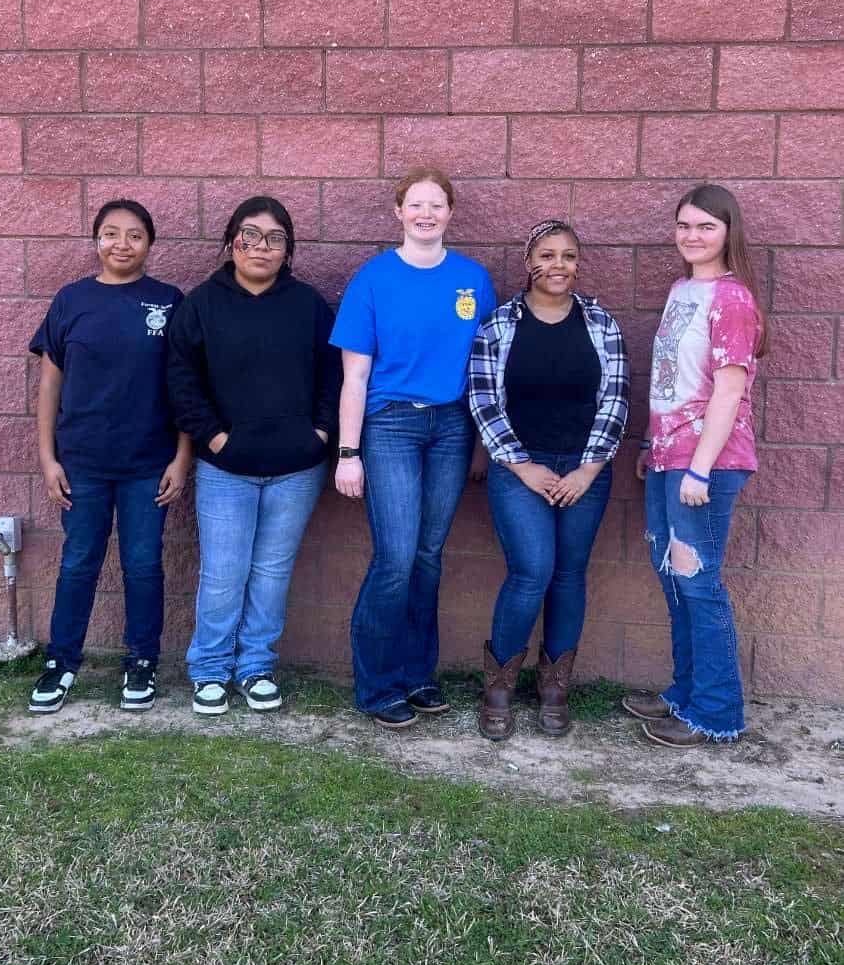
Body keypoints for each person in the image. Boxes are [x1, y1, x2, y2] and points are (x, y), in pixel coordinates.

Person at [331, 168, 497, 729]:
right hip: (391, 428)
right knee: (396, 558)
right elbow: (354, 376)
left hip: (452, 428)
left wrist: (480, 444)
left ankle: (417, 674)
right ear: (398, 212)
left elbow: (484, 374)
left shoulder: (473, 280)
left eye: (437, 204)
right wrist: (348, 453)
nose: (426, 214)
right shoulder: (373, 280)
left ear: (451, 213)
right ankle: (377, 686)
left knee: (429, 557)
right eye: (416, 204)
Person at [167, 196, 340, 717]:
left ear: (289, 250)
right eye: (251, 235)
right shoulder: (200, 304)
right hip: (225, 468)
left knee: (271, 571)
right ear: (230, 243)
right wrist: (215, 438)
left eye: (275, 238)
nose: (262, 247)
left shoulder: (308, 305)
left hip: (296, 468)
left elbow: (333, 377)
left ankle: (256, 666)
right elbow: (180, 381)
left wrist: (320, 435)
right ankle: (211, 669)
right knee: (223, 571)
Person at [27, 200, 190, 714]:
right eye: (111, 233)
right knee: (78, 563)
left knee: (143, 565)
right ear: (96, 240)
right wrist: (48, 459)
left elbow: (185, 388)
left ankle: (141, 662)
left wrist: (182, 458)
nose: (123, 243)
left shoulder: (169, 302)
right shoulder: (71, 300)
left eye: (135, 234)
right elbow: (50, 384)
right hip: (82, 464)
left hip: (149, 464)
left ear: (149, 243)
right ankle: (62, 662)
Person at [469, 220, 629, 741]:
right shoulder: (499, 324)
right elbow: (484, 401)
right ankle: (498, 687)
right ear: (528, 261)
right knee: (531, 571)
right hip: (520, 466)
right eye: (547, 254)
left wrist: (589, 468)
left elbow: (616, 399)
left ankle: (555, 686)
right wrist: (523, 467)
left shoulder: (601, 324)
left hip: (586, 467)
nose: (558, 265)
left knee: (568, 574)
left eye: (568, 256)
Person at [624, 184, 766, 747]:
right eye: (684, 226)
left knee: (700, 583)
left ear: (728, 231)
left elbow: (728, 394)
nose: (693, 236)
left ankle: (717, 712)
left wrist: (700, 469)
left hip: (706, 463)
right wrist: (651, 447)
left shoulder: (732, 299)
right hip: (667, 456)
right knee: (674, 578)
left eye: (705, 226)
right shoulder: (683, 290)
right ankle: (684, 693)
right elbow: (671, 382)